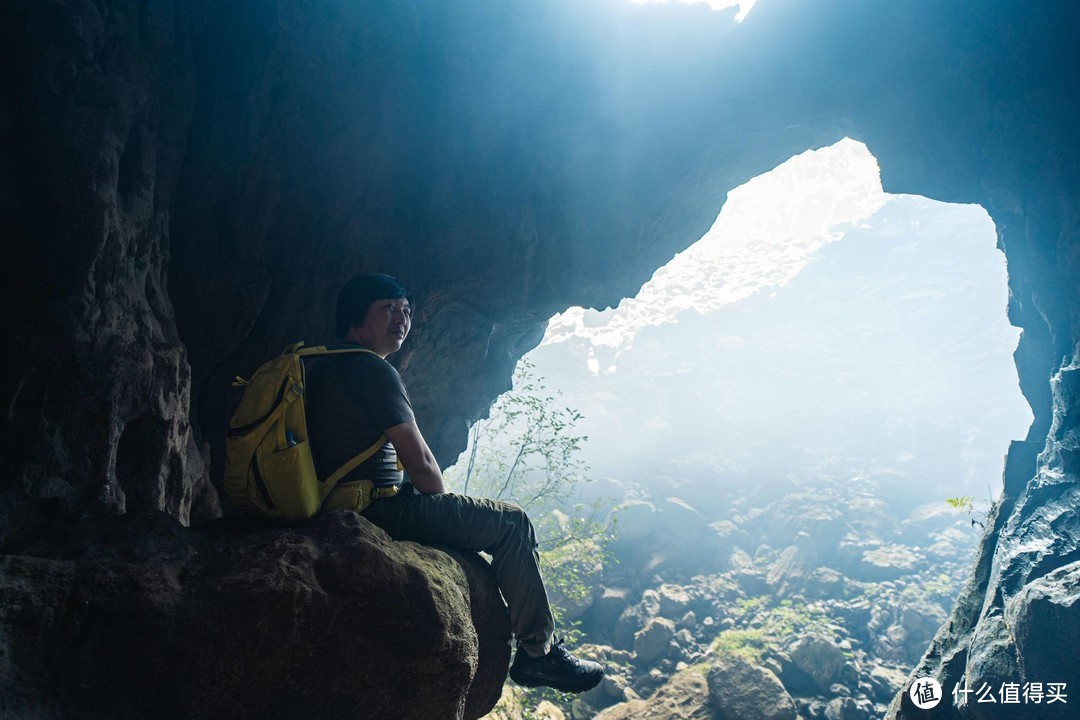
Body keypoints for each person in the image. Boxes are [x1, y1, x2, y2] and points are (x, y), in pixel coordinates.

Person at [305, 273, 604, 694]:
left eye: (406, 311)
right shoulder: (372, 371)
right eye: (388, 308)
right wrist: (444, 519)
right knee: (511, 523)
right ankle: (539, 656)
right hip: (377, 507)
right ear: (355, 317)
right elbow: (422, 462)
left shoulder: (323, 366)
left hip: (332, 502)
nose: (401, 320)